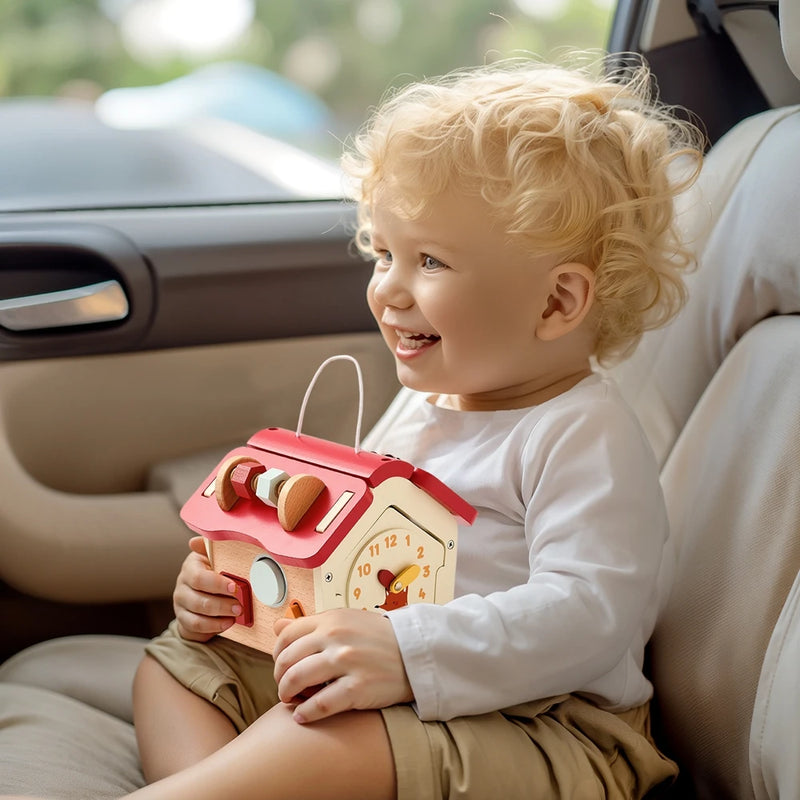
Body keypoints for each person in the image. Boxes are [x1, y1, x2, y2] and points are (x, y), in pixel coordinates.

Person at [5, 55, 703, 800]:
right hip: (401, 686)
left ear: (558, 303)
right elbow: (360, 550)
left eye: (429, 260)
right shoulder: (432, 403)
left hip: (550, 727)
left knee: (322, 737)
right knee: (175, 667)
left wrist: (407, 651)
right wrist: (233, 591)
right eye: (383, 252)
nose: (388, 289)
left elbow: (588, 615)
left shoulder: (580, 435)